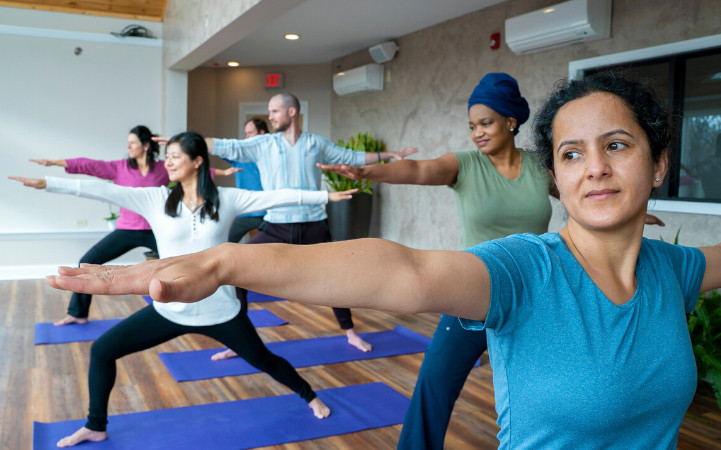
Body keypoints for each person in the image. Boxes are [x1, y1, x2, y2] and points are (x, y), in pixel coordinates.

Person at [45, 73, 721, 448]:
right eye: (572, 154)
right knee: (432, 388)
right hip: (482, 290)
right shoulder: (526, 268)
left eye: (618, 148)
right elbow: (404, 271)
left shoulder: (675, 272)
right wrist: (224, 263)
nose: (594, 168)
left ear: (658, 163)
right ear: (556, 172)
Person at [11, 131, 357, 447]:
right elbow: (101, 188)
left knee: (264, 360)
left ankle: (310, 395)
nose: (169, 162)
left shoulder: (227, 199)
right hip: (170, 309)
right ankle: (95, 425)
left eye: (176, 155)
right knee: (102, 350)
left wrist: (324, 195)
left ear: (197, 161)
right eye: (167, 156)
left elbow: (278, 196)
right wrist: (47, 183)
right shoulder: (156, 200)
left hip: (220, 311)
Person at [320, 72, 554, 449]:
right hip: (473, 292)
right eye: (472, 126)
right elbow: (418, 169)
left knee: (547, 395)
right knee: (435, 384)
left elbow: (582, 195)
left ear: (511, 121)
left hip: (533, 296)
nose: (477, 132)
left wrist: (630, 214)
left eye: (486, 122)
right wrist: (368, 172)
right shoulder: (465, 165)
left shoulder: (540, 168)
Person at [179, 93, 416, 358]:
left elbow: (350, 155)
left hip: (314, 226)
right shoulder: (263, 144)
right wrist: (188, 143)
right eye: (269, 112)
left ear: (292, 112)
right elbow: (226, 146)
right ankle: (239, 343)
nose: (270, 116)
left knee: (336, 280)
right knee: (238, 277)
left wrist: (389, 154)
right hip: (276, 226)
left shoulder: (315, 143)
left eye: (275, 111)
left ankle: (350, 333)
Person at [29, 125, 169, 326]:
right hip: (127, 230)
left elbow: (193, 169)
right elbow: (88, 165)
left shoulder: (163, 168)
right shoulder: (120, 167)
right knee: (88, 261)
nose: (128, 146)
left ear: (146, 145)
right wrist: (53, 163)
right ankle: (78, 312)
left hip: (157, 230)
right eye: (128, 142)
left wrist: (221, 170)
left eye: (133, 142)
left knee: (184, 261)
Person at [226, 118, 270, 244]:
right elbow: (220, 149)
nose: (246, 137)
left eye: (250, 133)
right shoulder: (239, 154)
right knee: (223, 244)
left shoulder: (273, 155)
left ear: (261, 133)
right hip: (245, 211)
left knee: (275, 249)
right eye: (246, 133)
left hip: (269, 213)